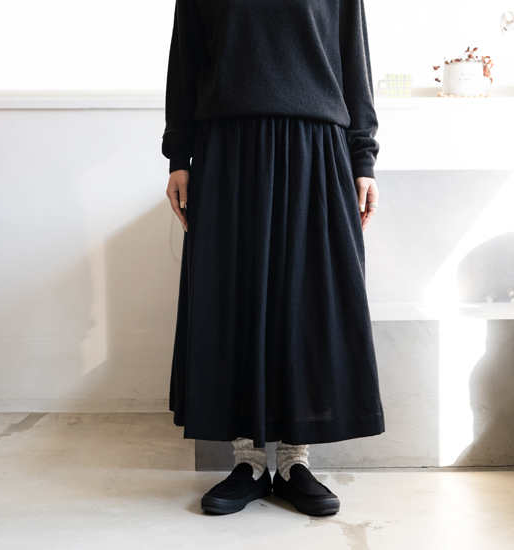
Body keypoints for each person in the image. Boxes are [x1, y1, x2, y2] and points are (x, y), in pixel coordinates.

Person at [162, 0, 385, 516]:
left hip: (316, 147)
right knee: (232, 298)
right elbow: (186, 62)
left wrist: (363, 158)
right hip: (228, 148)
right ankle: (247, 461)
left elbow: (354, 61)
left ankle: (293, 461)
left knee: (306, 300)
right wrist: (179, 156)